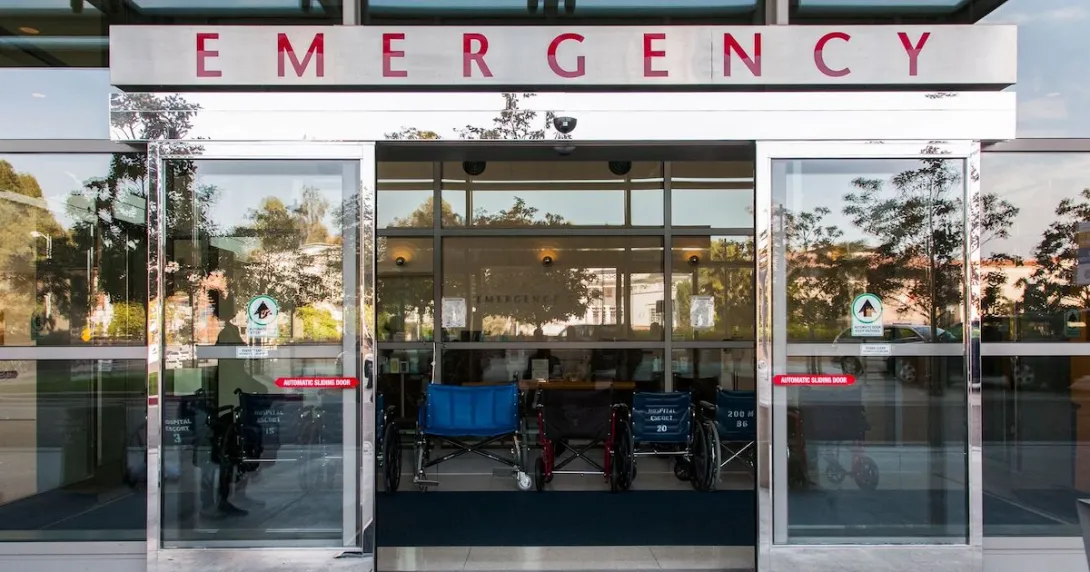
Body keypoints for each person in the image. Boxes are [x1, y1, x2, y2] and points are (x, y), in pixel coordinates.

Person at [201, 291, 269, 518]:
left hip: (232, 397)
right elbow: (233, 369)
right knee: (229, 452)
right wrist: (258, 387)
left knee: (235, 450)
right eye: (231, 305)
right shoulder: (227, 333)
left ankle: (234, 495)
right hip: (229, 400)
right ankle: (223, 499)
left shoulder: (230, 331)